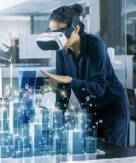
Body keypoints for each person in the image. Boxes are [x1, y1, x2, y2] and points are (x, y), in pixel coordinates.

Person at [41, 4, 129, 146]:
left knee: (112, 156)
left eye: (60, 33)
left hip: (111, 108)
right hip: (90, 110)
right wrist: (57, 121)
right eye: (53, 33)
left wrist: (70, 80)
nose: (56, 38)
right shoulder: (61, 51)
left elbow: (99, 88)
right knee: (92, 153)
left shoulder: (95, 45)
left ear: (76, 28)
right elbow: (63, 89)